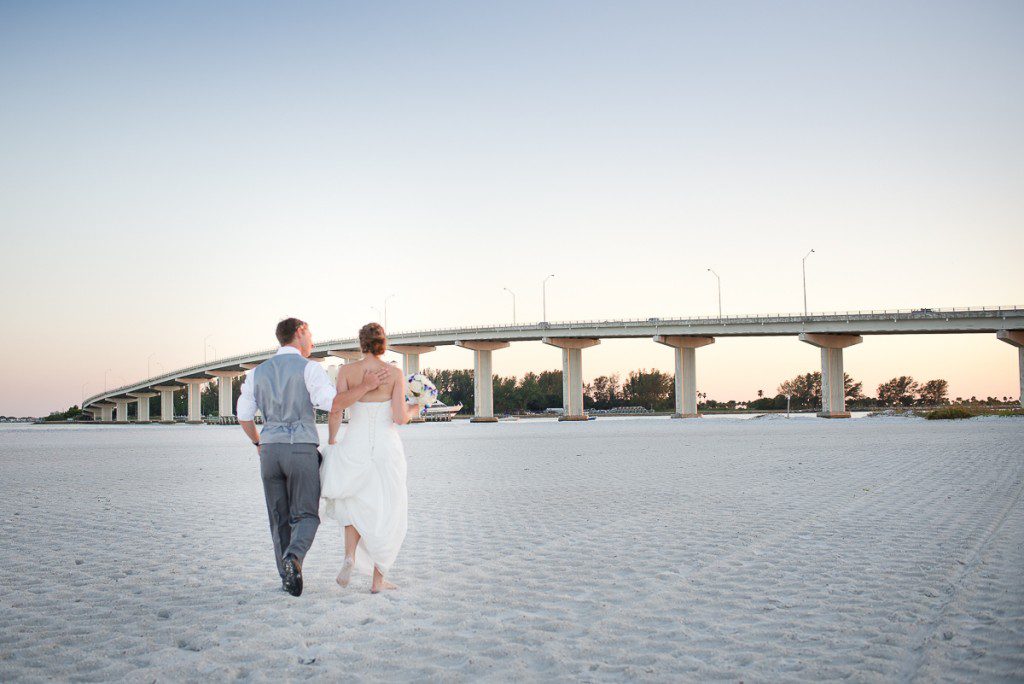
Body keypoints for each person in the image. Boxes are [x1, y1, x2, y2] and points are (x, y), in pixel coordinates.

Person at [237, 318, 389, 597]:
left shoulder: (256, 374)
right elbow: (334, 404)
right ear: (300, 333)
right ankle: (294, 557)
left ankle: (287, 576)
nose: (313, 342)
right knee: (307, 514)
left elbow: (244, 416)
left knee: (277, 516)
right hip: (300, 448)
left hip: (269, 450)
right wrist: (365, 386)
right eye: (311, 335)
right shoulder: (309, 369)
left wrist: (258, 442)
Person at [320, 322, 421, 593]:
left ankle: (350, 556)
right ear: (383, 343)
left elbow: (336, 409)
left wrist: (332, 439)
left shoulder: (346, 371)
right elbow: (399, 418)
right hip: (387, 447)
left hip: (355, 443)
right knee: (387, 507)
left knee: (353, 502)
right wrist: (415, 408)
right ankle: (378, 581)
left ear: (361, 342)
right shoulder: (395, 373)